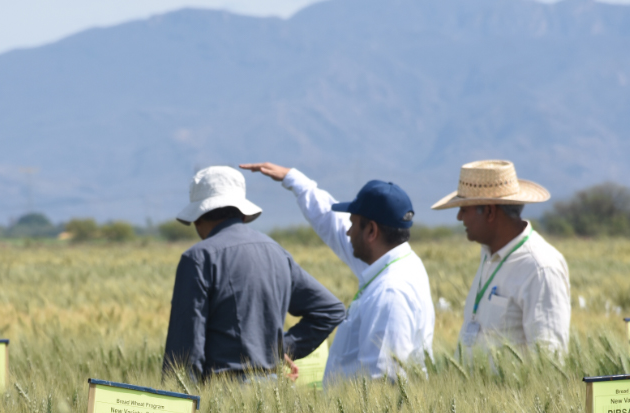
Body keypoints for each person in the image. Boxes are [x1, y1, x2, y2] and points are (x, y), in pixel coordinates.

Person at [241, 162, 434, 384]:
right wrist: (296, 181)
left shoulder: (391, 292)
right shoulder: (395, 263)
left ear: (371, 231)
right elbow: (333, 225)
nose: (348, 231)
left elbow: (382, 384)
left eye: (352, 224)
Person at [162, 166, 346, 382]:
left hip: (220, 398)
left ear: (198, 217)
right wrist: (277, 350)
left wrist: (176, 404)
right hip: (274, 392)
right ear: (242, 212)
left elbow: (184, 351)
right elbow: (330, 310)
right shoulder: (277, 252)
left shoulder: (198, 258)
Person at [431, 159, 570, 355]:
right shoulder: (488, 255)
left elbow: (550, 359)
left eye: (464, 209)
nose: (459, 217)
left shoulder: (540, 268)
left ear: (489, 212)